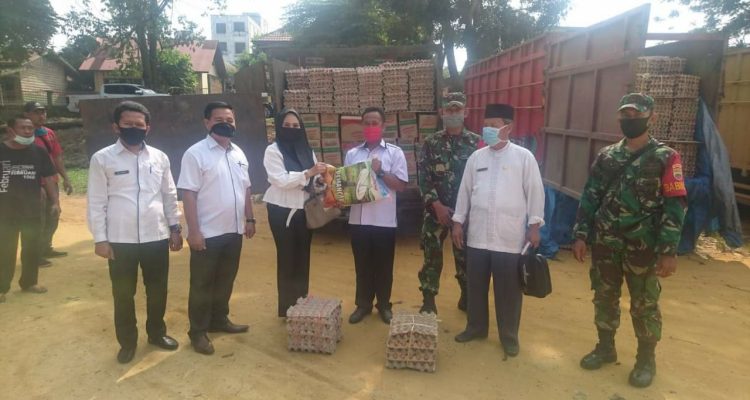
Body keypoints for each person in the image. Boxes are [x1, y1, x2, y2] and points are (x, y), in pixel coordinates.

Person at [572, 93, 687, 388]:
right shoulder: (607, 156)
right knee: (604, 296)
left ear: (652, 118)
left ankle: (646, 360)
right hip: (606, 243)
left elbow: (675, 205)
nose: (630, 120)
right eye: (625, 115)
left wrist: (668, 250)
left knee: (644, 304)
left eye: (636, 115)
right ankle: (605, 348)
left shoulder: (666, 157)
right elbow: (591, 195)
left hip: (642, 247)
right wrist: (581, 234)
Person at [87, 101, 183, 364]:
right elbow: (96, 201)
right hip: (121, 240)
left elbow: (169, 195)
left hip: (156, 236)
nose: (134, 128)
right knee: (123, 293)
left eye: (139, 124)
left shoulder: (159, 157)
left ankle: (157, 333)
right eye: (127, 124)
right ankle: (127, 342)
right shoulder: (102, 158)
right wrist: (100, 239)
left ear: (147, 128)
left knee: (158, 290)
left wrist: (175, 228)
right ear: (116, 126)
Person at [451, 103, 544, 358]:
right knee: (475, 286)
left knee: (509, 291)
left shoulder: (523, 157)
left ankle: (509, 336)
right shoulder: (476, 158)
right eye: (486, 125)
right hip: (478, 236)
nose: (488, 130)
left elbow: (535, 192)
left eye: (494, 125)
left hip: (508, 237)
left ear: (508, 127)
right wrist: (458, 222)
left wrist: (534, 226)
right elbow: (464, 192)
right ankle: (476, 327)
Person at [178, 101, 255, 355]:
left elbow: (246, 188)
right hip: (207, 234)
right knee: (202, 284)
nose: (225, 124)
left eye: (230, 120)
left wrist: (250, 219)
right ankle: (198, 332)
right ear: (207, 123)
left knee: (225, 280)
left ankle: (219, 320)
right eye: (219, 119)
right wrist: (194, 231)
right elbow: (188, 194)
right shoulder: (195, 154)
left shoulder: (238, 153)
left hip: (234, 230)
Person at [417, 92, 480, 315]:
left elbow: (481, 179)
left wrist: (465, 212)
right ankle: (428, 299)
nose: (453, 113)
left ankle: (467, 296)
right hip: (436, 211)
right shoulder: (431, 143)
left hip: (466, 213)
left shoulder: (477, 143)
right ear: (441, 112)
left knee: (465, 257)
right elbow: (423, 177)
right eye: (449, 110)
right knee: (431, 256)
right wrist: (437, 206)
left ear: (465, 112)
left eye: (457, 109)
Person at [345, 107, 408, 325]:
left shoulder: (394, 153)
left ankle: (384, 305)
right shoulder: (352, 154)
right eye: (367, 123)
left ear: (383, 126)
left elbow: (401, 186)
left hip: (384, 221)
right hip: (358, 220)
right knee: (362, 266)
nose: (371, 127)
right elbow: (347, 188)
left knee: (383, 267)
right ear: (362, 126)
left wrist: (380, 172)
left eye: (375, 123)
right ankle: (363, 305)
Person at [263, 109, 328, 317]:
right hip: (282, 210)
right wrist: (308, 173)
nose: (291, 129)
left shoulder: (307, 150)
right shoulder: (273, 150)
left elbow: (313, 180)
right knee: (287, 258)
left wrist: (321, 180)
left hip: (304, 210)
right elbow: (280, 179)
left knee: (303, 257)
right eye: (287, 126)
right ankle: (287, 307)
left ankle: (301, 303)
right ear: (280, 127)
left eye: (295, 126)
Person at [0, 116, 57, 303]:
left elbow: (48, 178)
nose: (27, 131)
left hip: (31, 210)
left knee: (32, 248)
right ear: (10, 130)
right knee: (5, 250)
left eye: (30, 128)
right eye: (22, 128)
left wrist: (55, 202)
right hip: (5, 212)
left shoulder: (39, 152)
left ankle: (29, 282)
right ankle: (1, 288)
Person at [24, 102, 72, 265]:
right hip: (33, 184)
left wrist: (65, 178)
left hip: (51, 181)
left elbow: (57, 157)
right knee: (37, 219)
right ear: (27, 114)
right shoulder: (22, 134)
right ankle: (34, 254)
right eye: (36, 112)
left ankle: (45, 247)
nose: (41, 115)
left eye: (43, 112)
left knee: (53, 214)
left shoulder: (48, 133)